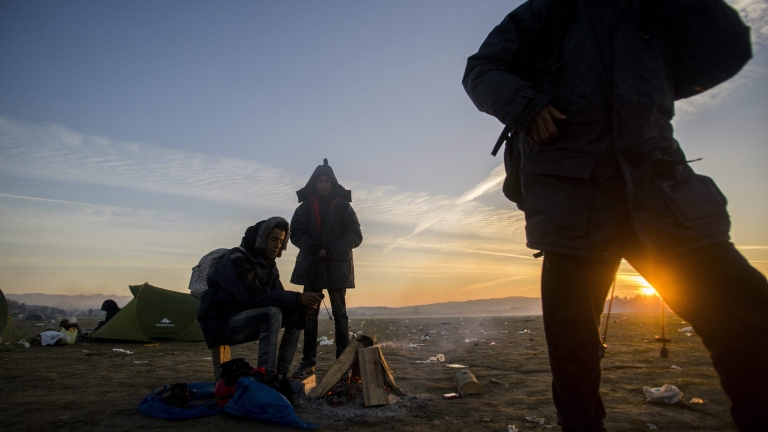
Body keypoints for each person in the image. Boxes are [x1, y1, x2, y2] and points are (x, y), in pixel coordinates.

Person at [463, 1, 767, 431]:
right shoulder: (550, 10)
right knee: (573, 356)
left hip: (659, 191)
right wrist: (526, 106)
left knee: (750, 319)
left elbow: (728, 48)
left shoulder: (651, 9)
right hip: (574, 198)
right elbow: (481, 69)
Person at [197, 217, 323, 393]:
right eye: (273, 240)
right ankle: (266, 375)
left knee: (296, 313)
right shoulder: (236, 259)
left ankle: (280, 374)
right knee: (271, 313)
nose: (277, 245)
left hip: (245, 320)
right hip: (221, 323)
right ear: (261, 239)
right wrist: (297, 298)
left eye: (281, 241)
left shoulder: (269, 265)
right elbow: (253, 297)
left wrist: (301, 305)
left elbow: (279, 297)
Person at [289, 159, 363, 379]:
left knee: (340, 315)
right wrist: (313, 247)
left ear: (333, 183)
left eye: (327, 180)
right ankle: (308, 363)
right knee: (309, 315)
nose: (323, 184)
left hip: (337, 266)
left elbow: (355, 235)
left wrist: (331, 249)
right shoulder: (304, 208)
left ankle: (342, 362)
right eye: (320, 180)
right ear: (314, 183)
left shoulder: (344, 207)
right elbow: (296, 232)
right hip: (311, 265)